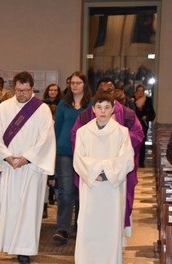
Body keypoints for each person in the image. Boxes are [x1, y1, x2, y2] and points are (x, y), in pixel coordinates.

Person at [0, 71, 55, 264]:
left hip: (31, 169)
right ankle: (11, 244)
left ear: (32, 88)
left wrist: (27, 158)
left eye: (26, 90)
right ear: (13, 88)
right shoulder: (3, 108)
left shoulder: (42, 109)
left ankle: (25, 250)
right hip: (10, 166)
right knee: (9, 206)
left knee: (29, 210)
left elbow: (46, 138)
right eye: (18, 90)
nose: (22, 94)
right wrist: (6, 156)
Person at [71, 77, 144, 237]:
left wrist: (117, 144)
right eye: (102, 91)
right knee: (90, 217)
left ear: (115, 93)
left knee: (113, 219)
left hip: (115, 176)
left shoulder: (127, 114)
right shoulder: (85, 117)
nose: (103, 110)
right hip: (92, 178)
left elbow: (138, 135)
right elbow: (76, 139)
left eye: (109, 91)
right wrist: (94, 169)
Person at [73, 91, 134, 263]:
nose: (103, 111)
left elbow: (126, 159)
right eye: (99, 107)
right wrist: (96, 174)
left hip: (112, 188)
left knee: (109, 227)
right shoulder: (83, 132)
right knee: (89, 226)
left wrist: (106, 173)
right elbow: (78, 159)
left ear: (113, 109)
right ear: (93, 109)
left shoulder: (122, 132)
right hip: (91, 186)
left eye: (107, 107)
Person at [53, 71, 92, 245]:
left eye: (78, 82)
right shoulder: (63, 104)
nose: (74, 85)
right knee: (66, 191)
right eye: (72, 83)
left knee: (82, 192)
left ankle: (80, 225)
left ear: (85, 84)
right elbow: (57, 128)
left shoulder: (91, 105)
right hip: (65, 151)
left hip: (85, 153)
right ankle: (62, 228)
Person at [133, 84, 156, 168]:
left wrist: (146, 117)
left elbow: (152, 114)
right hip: (133, 126)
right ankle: (133, 162)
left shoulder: (148, 100)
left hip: (143, 125)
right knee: (133, 144)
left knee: (142, 144)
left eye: (142, 90)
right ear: (136, 91)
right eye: (139, 90)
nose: (140, 92)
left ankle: (141, 162)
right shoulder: (132, 100)